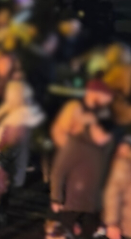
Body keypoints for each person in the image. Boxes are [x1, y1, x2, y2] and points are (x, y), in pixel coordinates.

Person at [48, 79, 117, 230]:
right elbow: (59, 131)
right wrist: (73, 147)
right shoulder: (75, 108)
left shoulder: (103, 112)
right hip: (73, 154)